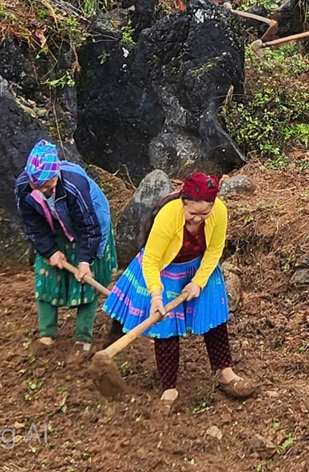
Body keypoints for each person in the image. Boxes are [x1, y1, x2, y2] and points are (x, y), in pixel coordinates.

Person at [103, 172, 256, 410]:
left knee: (214, 320)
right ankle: (169, 389)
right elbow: (152, 260)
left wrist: (198, 282)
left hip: (200, 265)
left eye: (204, 214)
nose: (197, 219)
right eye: (192, 213)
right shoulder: (168, 215)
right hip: (164, 268)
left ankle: (225, 372)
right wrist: (156, 295)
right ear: (183, 202)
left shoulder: (220, 212)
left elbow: (215, 250)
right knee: (165, 328)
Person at [14, 140, 117, 357]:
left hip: (91, 225)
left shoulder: (74, 186)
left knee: (86, 283)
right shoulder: (23, 186)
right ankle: (46, 333)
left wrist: (84, 261)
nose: (42, 190)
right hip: (54, 227)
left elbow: (89, 227)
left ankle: (83, 338)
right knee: (46, 276)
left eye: (47, 185)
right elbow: (32, 225)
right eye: (37, 186)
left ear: (57, 175)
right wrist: (50, 251)